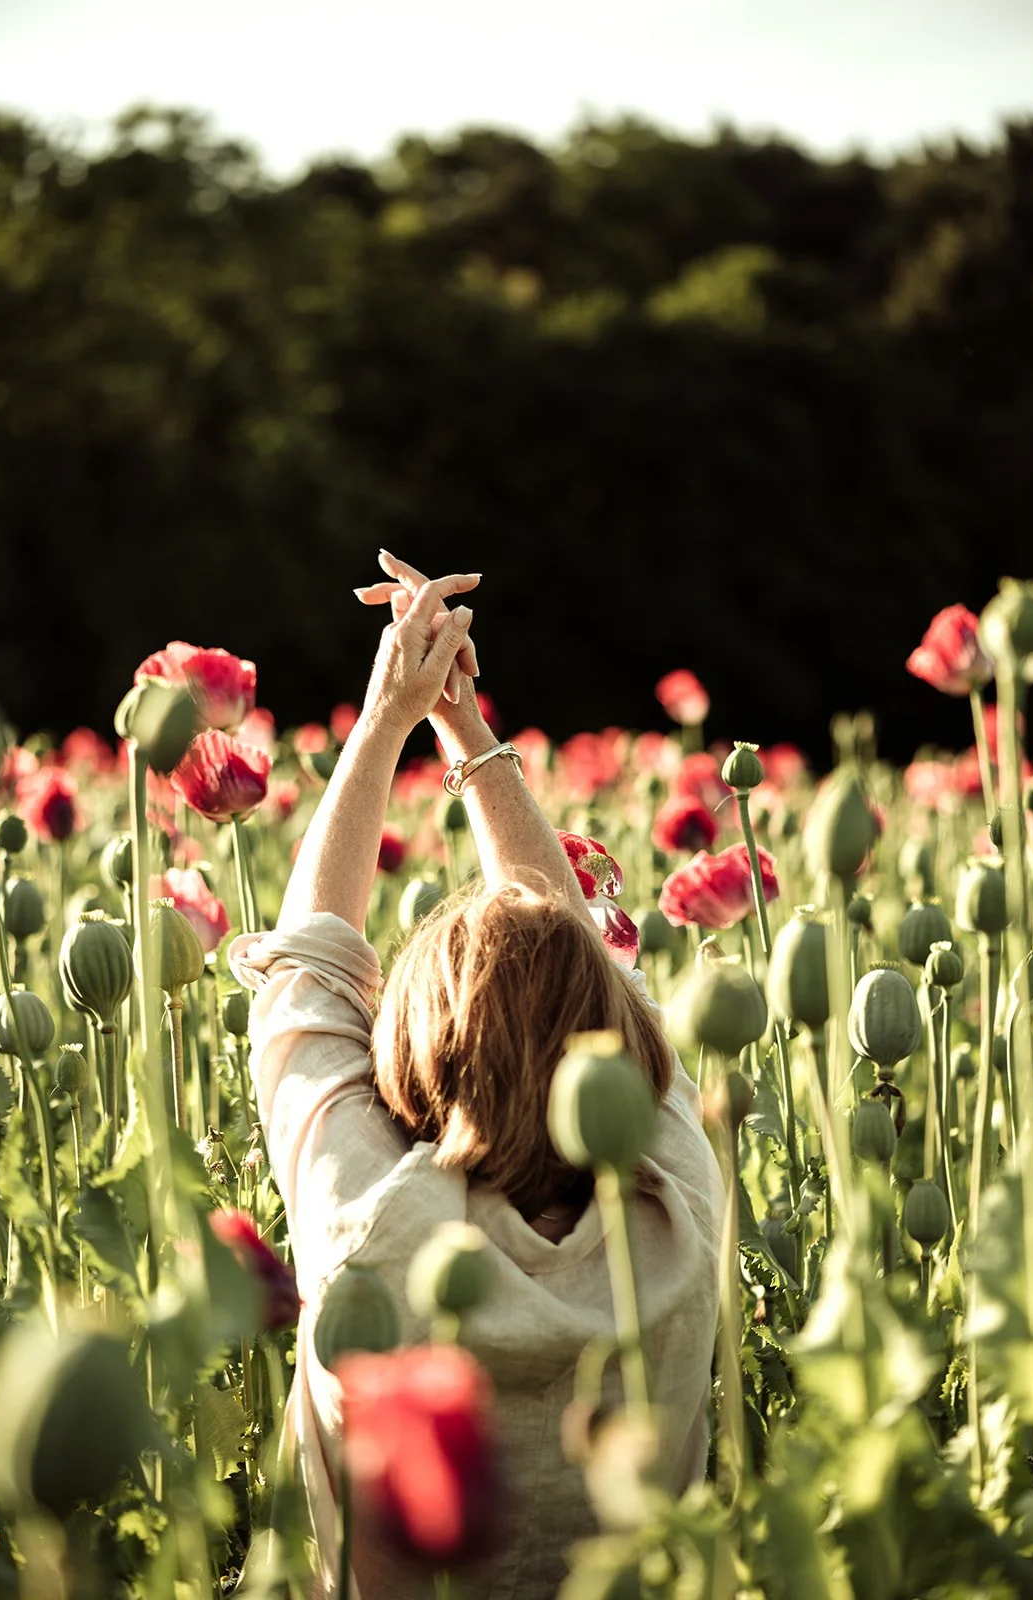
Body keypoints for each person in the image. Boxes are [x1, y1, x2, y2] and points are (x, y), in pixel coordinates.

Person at [229, 552, 723, 1600]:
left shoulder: (365, 1221)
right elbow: (581, 969)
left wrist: (387, 718)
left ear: (414, 1054)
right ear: (617, 1054)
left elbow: (312, 959)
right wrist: (471, 739)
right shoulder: (680, 1210)